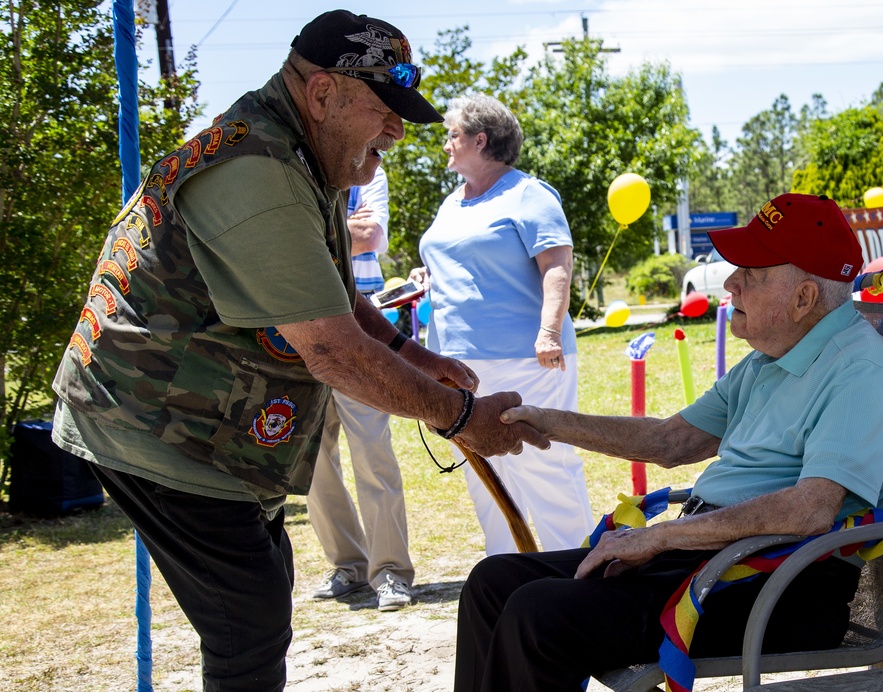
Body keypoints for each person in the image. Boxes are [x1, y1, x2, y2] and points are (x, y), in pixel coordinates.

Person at [48, 10, 545, 690]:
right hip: (150, 419)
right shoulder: (256, 170)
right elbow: (332, 350)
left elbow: (326, 290)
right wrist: (459, 416)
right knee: (247, 622)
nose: (397, 132)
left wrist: (409, 350)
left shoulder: (299, 153)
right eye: (386, 110)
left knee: (261, 596)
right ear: (322, 95)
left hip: (203, 423)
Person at [454, 193, 883, 692]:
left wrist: (660, 536)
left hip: (781, 583)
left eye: (752, 273)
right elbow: (670, 440)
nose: (731, 282)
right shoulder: (772, 358)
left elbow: (809, 511)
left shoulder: (860, 368)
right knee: (493, 584)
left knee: (538, 613)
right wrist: (546, 421)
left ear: (803, 299)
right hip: (714, 559)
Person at [409, 93, 592, 555]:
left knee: (543, 465)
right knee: (481, 470)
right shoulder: (452, 202)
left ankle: (573, 571)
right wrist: (428, 276)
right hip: (456, 365)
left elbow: (557, 267)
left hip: (527, 359)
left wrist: (549, 330)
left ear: (480, 139)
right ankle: (508, 571)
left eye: (453, 135)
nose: (446, 144)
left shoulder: (530, 194)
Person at [308, 166, 416, 611]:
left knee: (372, 449)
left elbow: (369, 235)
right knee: (312, 457)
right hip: (304, 329)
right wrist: (333, 233)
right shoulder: (292, 167)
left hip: (360, 330)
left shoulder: (367, 170)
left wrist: (310, 233)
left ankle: (391, 571)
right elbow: (278, 245)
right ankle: (347, 564)